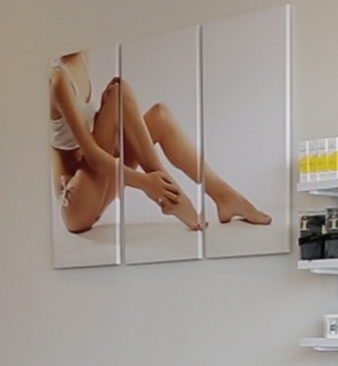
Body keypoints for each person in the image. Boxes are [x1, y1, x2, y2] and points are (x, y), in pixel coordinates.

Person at [49, 51, 272, 235]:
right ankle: (171, 196)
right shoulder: (59, 79)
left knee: (159, 116)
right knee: (119, 94)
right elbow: (93, 156)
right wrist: (146, 183)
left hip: (98, 184)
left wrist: (109, 113)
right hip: (75, 205)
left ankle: (223, 195)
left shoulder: (82, 56)